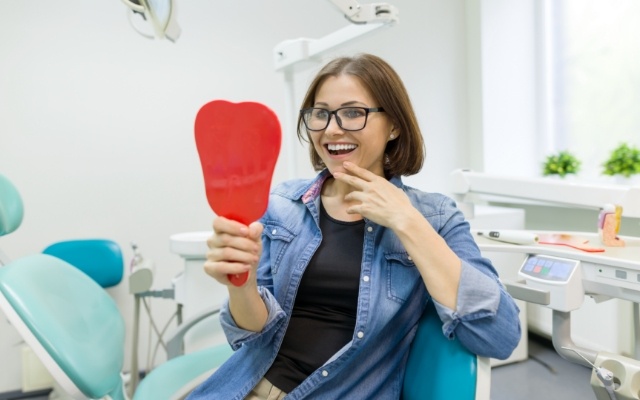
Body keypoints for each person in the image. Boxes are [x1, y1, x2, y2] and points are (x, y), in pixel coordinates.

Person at [186, 53, 521, 400]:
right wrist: (242, 283)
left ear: (394, 125)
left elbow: (500, 334)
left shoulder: (435, 217)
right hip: (242, 388)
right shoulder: (281, 206)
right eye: (321, 114)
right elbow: (253, 337)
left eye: (352, 113)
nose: (332, 129)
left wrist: (405, 220)